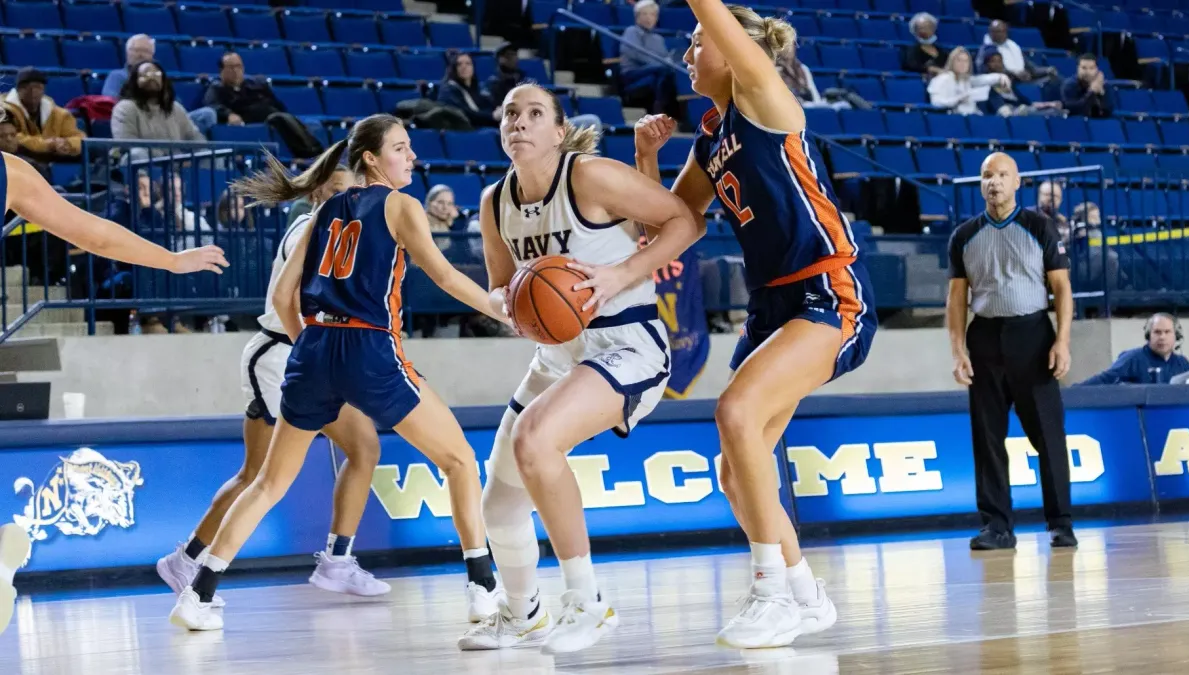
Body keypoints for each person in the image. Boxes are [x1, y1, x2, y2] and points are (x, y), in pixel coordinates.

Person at [167, 114, 506, 631]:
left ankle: (198, 594)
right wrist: (500, 309)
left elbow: (283, 297)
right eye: (400, 147)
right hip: (369, 346)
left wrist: (313, 348)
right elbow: (442, 274)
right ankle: (483, 588)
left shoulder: (321, 209)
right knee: (459, 459)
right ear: (371, 158)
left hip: (314, 346)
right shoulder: (400, 205)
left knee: (268, 483)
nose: (411, 156)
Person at [634, 2, 875, 649]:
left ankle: (770, 590)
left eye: (695, 41)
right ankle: (804, 592)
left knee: (737, 410)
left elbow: (713, 16)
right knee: (735, 471)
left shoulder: (764, 94)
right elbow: (667, 224)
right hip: (771, 307)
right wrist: (646, 158)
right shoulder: (712, 139)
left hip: (826, 289)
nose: (687, 54)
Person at [456, 83, 703, 654]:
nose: (519, 122)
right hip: (558, 353)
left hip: (627, 342)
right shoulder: (495, 202)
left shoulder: (589, 176)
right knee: (499, 502)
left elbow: (686, 223)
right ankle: (522, 613)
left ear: (558, 132)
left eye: (534, 113)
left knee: (536, 439)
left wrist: (620, 274)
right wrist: (512, 306)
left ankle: (589, 603)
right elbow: (499, 289)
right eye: (510, 112)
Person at [0, 147, 227, 637]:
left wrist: (170, 259)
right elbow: (93, 233)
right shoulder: (10, 171)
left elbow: (94, 232)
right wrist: (170, 260)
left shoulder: (11, 172)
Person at [946, 152, 1076, 552]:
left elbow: (1061, 289)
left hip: (1033, 335)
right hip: (984, 338)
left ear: (1017, 182)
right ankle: (997, 526)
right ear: (979, 183)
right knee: (987, 438)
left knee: (1048, 435)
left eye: (1002, 175)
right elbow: (956, 300)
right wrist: (957, 351)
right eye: (987, 175)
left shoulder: (1040, 227)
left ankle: (1060, 523)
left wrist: (1062, 341)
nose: (994, 182)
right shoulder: (964, 236)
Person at [1078, 314, 1189, 385]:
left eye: (1167, 332)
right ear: (1148, 335)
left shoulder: (1183, 364)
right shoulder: (1132, 359)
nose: (1162, 337)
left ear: (1176, 336)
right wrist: (1070, 393)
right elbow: (1105, 379)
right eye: (1157, 332)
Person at [927, 47, 1008, 116]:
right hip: (951, 118)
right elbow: (936, 102)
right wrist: (958, 100)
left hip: (970, 117)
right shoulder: (942, 79)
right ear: (952, 62)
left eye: (966, 61)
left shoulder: (965, 80)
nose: (963, 64)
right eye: (959, 60)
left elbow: (982, 79)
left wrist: (1000, 76)